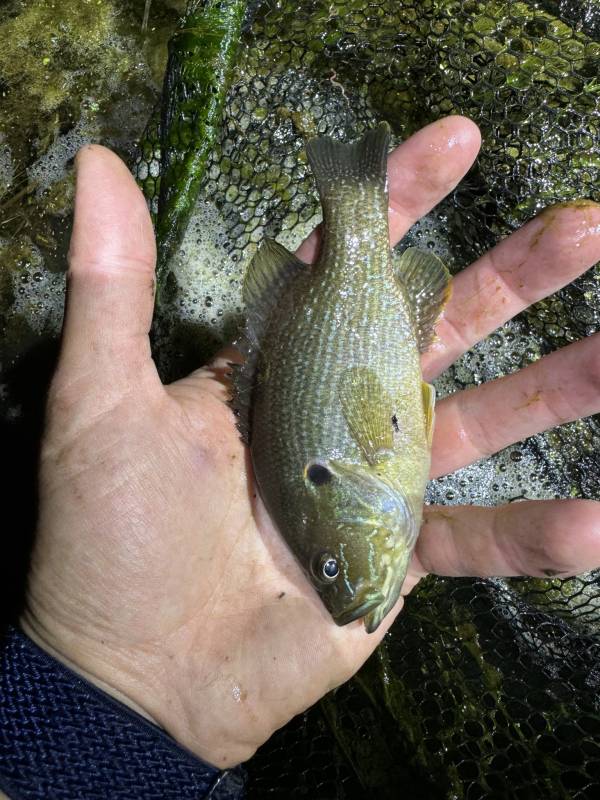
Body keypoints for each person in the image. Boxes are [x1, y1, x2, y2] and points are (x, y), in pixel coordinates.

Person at [1, 116, 599, 799]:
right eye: (330, 567)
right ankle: (355, 192)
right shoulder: (323, 497)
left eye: (328, 567)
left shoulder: (346, 486)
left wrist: (92, 688)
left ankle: (351, 190)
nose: (344, 589)